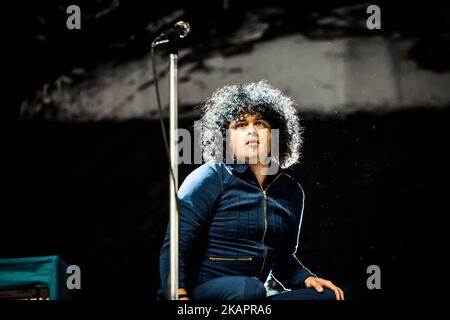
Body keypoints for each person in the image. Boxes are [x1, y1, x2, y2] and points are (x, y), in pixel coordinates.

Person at [158, 80, 344, 300]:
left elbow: (283, 260)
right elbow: (174, 247)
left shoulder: (291, 191)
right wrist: (179, 295)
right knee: (250, 289)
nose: (251, 131)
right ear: (226, 137)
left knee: (327, 297)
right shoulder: (211, 177)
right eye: (240, 125)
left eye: (260, 123)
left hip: (252, 297)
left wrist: (305, 278)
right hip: (199, 295)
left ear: (276, 134)